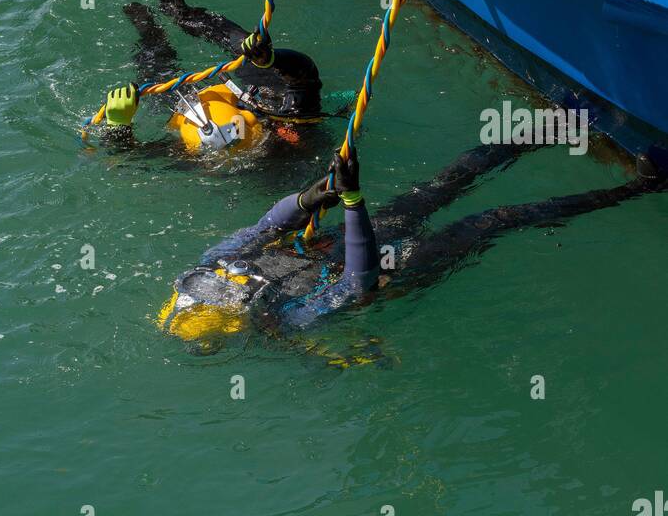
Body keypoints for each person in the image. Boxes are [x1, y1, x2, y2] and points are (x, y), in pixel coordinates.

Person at [158, 138, 664, 342]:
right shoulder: (292, 316)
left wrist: (308, 200)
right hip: (388, 270)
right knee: (493, 219)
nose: (225, 284)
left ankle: (552, 123)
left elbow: (267, 228)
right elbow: (360, 281)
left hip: (336, 244)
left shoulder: (214, 268)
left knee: (440, 186)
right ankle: (641, 187)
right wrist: (353, 203)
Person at [101, 0, 323, 158]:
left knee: (157, 69)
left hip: (203, 116)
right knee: (247, 44)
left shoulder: (194, 153)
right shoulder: (297, 126)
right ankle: (179, 11)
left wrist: (118, 126)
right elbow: (305, 74)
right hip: (265, 100)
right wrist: (271, 59)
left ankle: (149, 31)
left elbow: (125, 158)